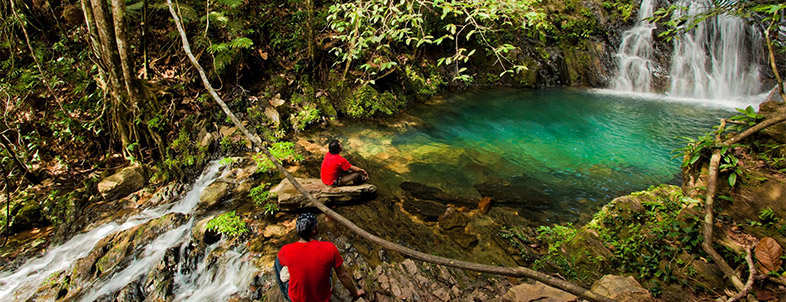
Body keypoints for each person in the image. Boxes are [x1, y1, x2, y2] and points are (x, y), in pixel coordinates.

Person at [275, 213, 365, 302]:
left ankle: (285, 295)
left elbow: (283, 262)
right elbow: (342, 275)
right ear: (314, 230)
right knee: (328, 261)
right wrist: (355, 292)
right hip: (322, 298)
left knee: (277, 262)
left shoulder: (286, 250)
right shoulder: (329, 247)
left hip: (297, 299)